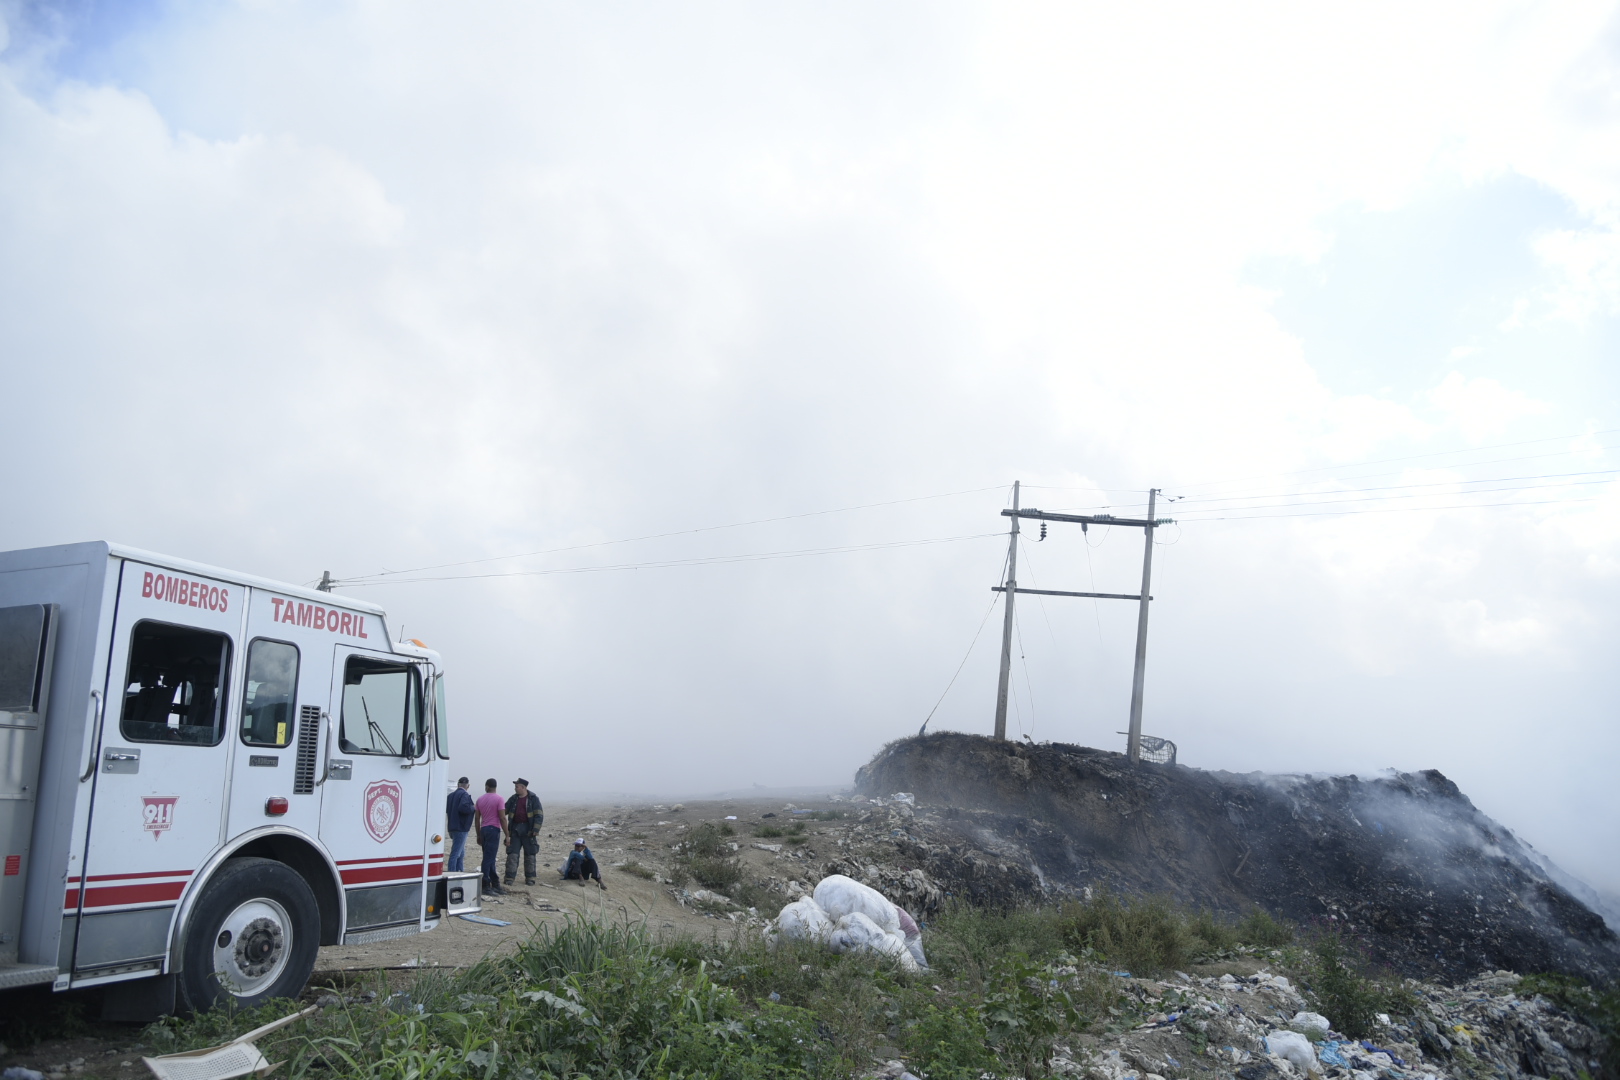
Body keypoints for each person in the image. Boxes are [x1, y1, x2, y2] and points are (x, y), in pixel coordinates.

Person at [503, 778, 544, 886]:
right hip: (515, 830)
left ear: (523, 787)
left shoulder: (533, 799)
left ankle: (530, 878)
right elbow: (504, 810)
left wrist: (535, 829)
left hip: (528, 831)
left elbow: (539, 815)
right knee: (512, 854)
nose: (515, 788)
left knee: (530, 855)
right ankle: (509, 878)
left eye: (517, 786)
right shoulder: (513, 799)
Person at [474, 778, 505, 895]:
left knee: (489, 857)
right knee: (489, 858)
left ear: (487, 786)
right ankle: (485, 884)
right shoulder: (499, 799)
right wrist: (507, 834)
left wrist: (478, 834)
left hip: (484, 829)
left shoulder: (480, 799)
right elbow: (502, 817)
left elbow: (477, 818)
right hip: (494, 829)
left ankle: (495, 882)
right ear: (495, 787)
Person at [446, 777, 475, 873]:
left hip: (451, 826)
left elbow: (447, 810)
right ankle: (452, 873)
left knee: (461, 853)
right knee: (456, 853)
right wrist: (473, 808)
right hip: (461, 827)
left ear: (458, 785)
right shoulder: (464, 795)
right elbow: (464, 808)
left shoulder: (450, 796)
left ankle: (459, 871)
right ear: (468, 786)